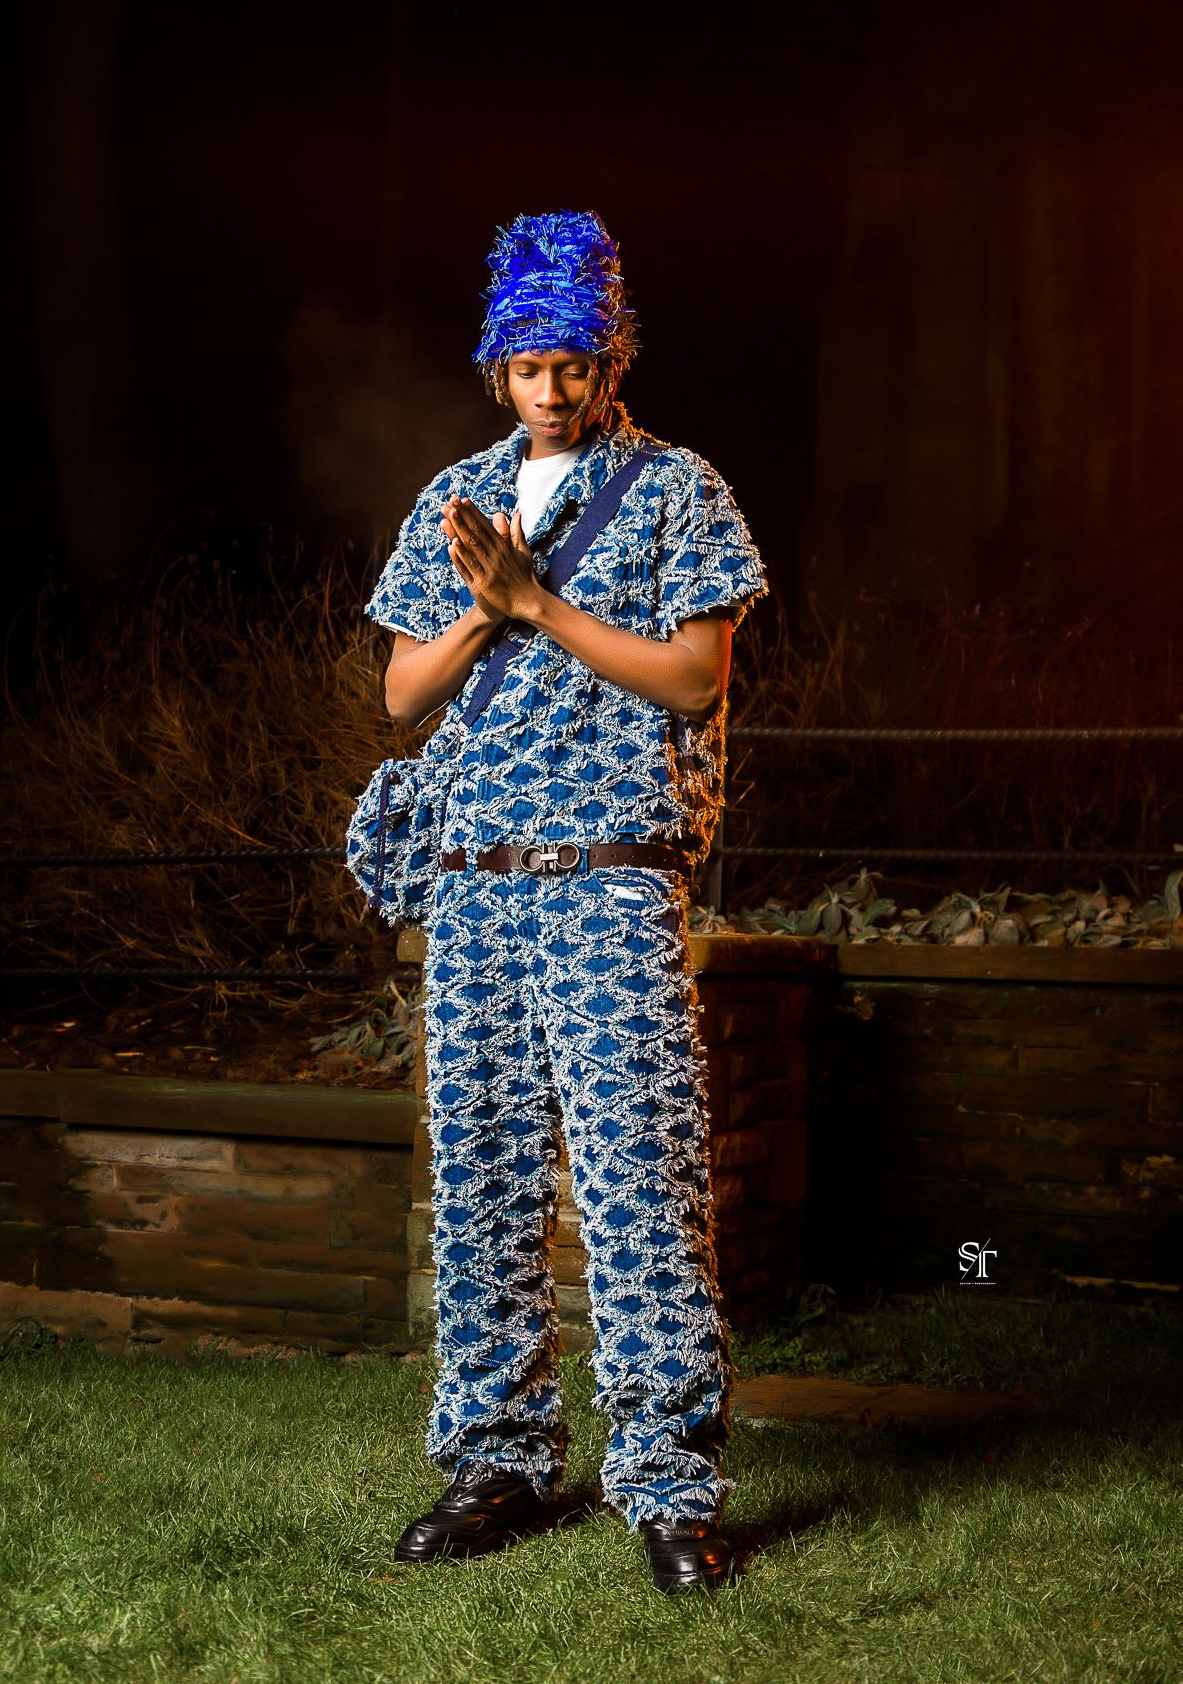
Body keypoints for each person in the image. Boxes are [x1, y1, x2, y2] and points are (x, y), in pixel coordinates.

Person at [364, 210, 768, 1592]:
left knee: (637, 1181)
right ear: (499, 369)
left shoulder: (675, 491)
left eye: (575, 362)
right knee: (478, 1182)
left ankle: (668, 1485)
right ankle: (496, 1465)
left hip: (606, 876)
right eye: (528, 364)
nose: (552, 387)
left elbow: (695, 681)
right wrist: (485, 605)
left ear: (613, 360)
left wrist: (536, 604)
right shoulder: (455, 498)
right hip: (476, 879)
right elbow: (402, 697)